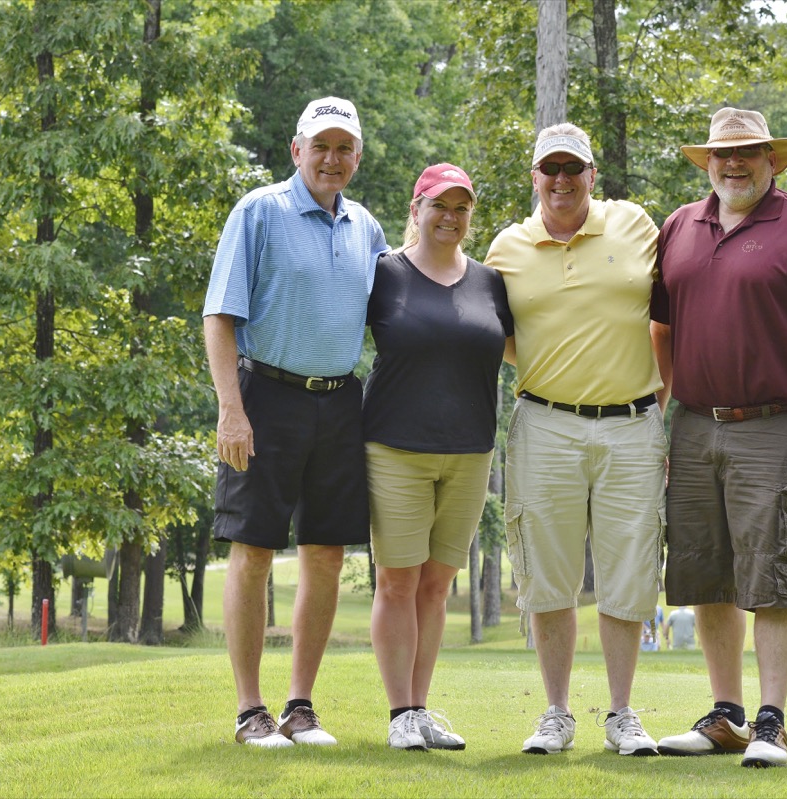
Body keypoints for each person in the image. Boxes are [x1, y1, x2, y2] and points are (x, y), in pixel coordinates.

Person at [650, 107, 787, 768]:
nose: (733, 164)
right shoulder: (680, 226)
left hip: (776, 423)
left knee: (775, 571)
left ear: (772, 160)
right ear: (708, 161)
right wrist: (657, 416)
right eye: (722, 154)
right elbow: (661, 330)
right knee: (707, 570)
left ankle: (771, 722)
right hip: (693, 424)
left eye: (748, 152)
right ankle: (727, 715)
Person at [202, 96, 387, 748]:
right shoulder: (260, 211)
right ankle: (250, 710)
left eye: (344, 148)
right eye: (321, 146)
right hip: (265, 396)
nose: (332, 159)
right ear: (297, 150)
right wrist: (231, 408)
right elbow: (219, 317)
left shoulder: (366, 227)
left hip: (339, 403)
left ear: (357, 157)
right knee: (253, 550)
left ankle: (299, 706)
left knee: (327, 553)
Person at [485, 124, 668, 757]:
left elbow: (668, 317)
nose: (561, 179)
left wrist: (659, 404)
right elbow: (499, 336)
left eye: (573, 168)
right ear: (534, 177)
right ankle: (557, 714)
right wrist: (554, 367)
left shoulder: (635, 225)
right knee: (547, 575)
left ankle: (621, 715)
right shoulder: (507, 248)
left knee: (629, 570)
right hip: (544, 424)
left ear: (592, 174)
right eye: (550, 169)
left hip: (633, 424)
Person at [364, 164, 513, 751]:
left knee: (436, 585)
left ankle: (420, 709)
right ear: (416, 209)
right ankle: (399, 713)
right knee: (397, 581)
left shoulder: (490, 282)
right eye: (439, 206)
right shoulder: (384, 273)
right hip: (394, 448)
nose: (450, 217)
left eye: (461, 208)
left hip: (471, 452)